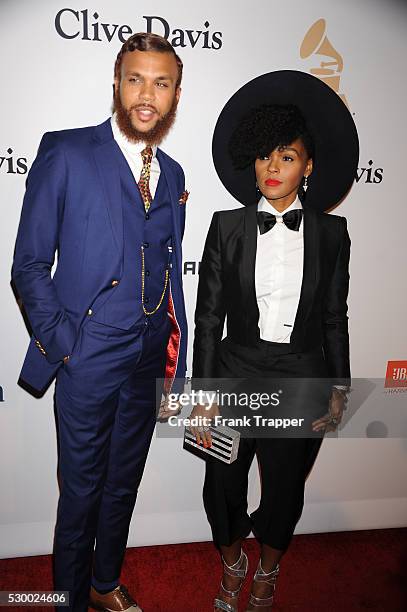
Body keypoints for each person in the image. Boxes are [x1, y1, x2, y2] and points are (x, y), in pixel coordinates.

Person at [12, 32, 188, 612]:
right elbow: (30, 264)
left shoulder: (173, 171)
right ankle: (65, 598)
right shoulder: (67, 151)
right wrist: (67, 345)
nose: (147, 95)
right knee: (81, 490)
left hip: (146, 356)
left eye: (161, 83)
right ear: (116, 82)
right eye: (136, 79)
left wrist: (173, 359)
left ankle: (104, 582)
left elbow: (168, 277)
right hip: (87, 355)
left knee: (123, 484)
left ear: (174, 95)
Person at [190, 71, 358, 611]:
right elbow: (208, 318)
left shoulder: (333, 234)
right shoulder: (226, 226)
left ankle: (267, 569)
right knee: (222, 484)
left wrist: (338, 386)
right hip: (235, 370)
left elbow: (335, 316)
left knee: (285, 488)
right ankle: (233, 560)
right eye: (264, 156)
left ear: (307, 167)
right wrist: (203, 392)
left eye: (287, 157)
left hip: (302, 375)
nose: (272, 168)